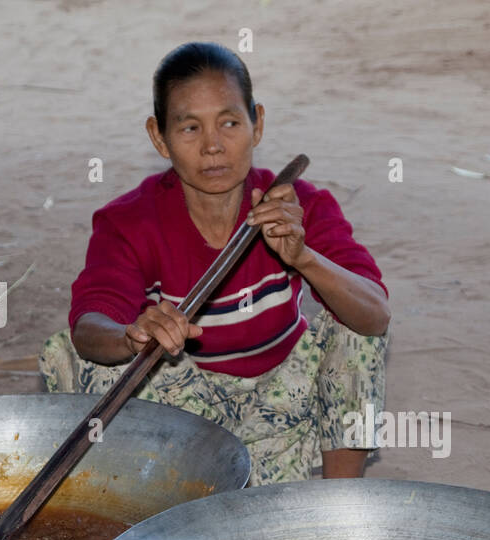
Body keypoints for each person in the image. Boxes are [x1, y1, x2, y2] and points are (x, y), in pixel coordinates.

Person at [40, 42, 390, 485]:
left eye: (229, 123)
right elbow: (90, 324)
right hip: (188, 418)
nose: (213, 147)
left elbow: (376, 314)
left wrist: (304, 257)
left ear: (256, 124)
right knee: (84, 356)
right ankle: (159, 492)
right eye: (189, 128)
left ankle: (337, 506)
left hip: (286, 412)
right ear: (159, 137)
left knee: (354, 323)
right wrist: (131, 336)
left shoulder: (298, 205)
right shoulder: (130, 221)